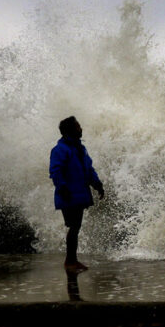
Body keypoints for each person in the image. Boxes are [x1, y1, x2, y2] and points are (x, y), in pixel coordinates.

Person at [49, 116, 104, 271]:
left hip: (79, 194)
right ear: (71, 130)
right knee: (74, 226)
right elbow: (55, 171)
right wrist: (63, 188)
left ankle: (72, 260)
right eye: (78, 126)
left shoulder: (80, 148)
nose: (81, 128)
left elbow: (89, 169)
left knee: (76, 226)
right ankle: (70, 261)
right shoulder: (60, 149)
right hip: (69, 194)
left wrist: (97, 184)